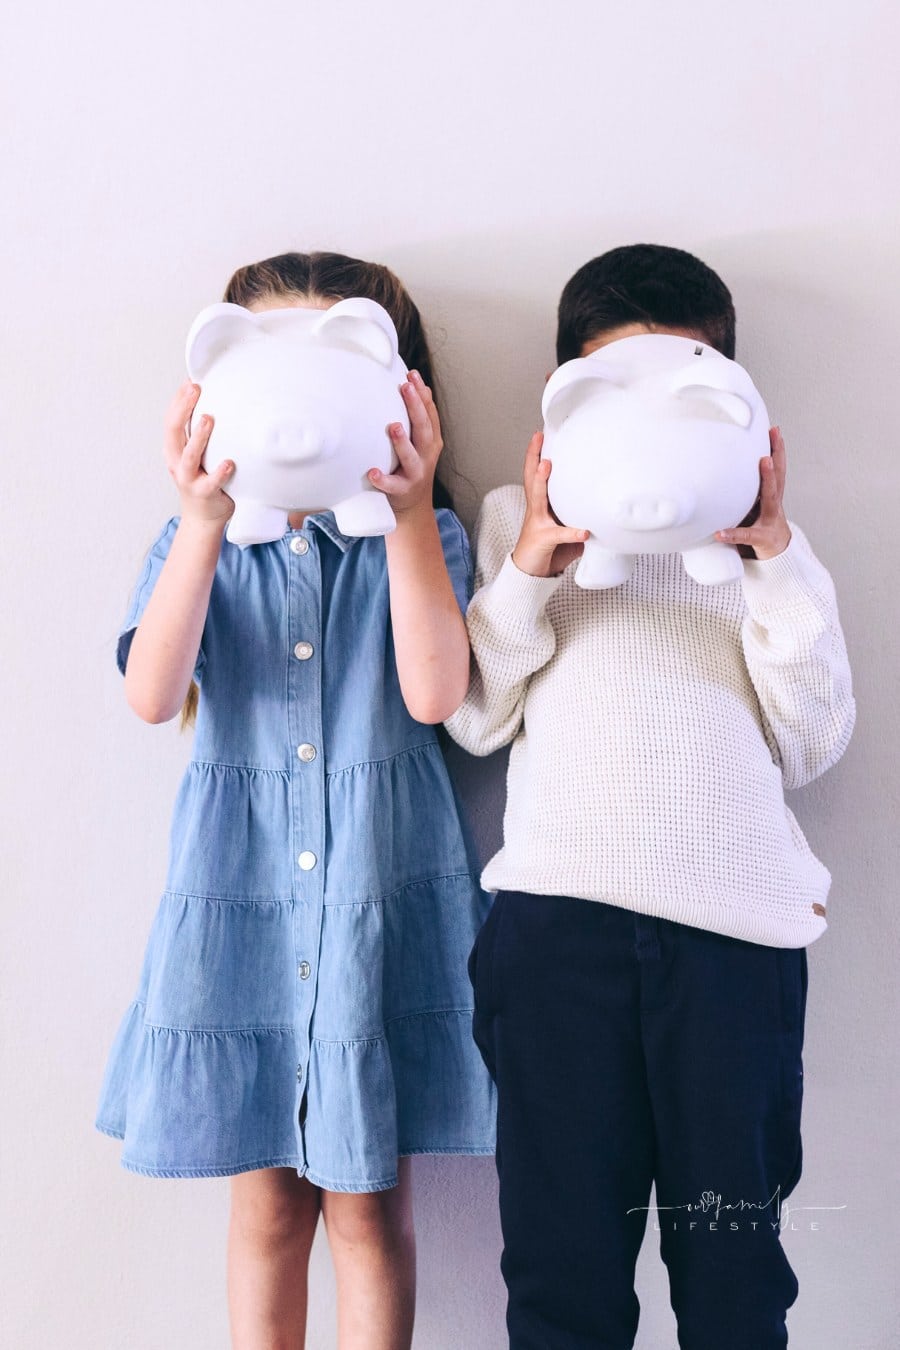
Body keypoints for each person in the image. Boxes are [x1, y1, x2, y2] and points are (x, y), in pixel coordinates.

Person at [445, 243, 855, 1350]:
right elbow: (474, 714)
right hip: (557, 940)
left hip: (732, 947)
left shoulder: (776, 557)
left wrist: (768, 553)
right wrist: (536, 555)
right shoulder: (514, 527)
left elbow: (814, 741)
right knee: (561, 1273)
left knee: (734, 1275)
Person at [96, 251, 495, 1350]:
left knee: (368, 1205)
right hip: (246, 900)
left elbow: (434, 693)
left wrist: (412, 516)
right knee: (267, 1205)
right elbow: (151, 693)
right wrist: (202, 520)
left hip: (376, 897)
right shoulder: (200, 550)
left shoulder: (432, 542)